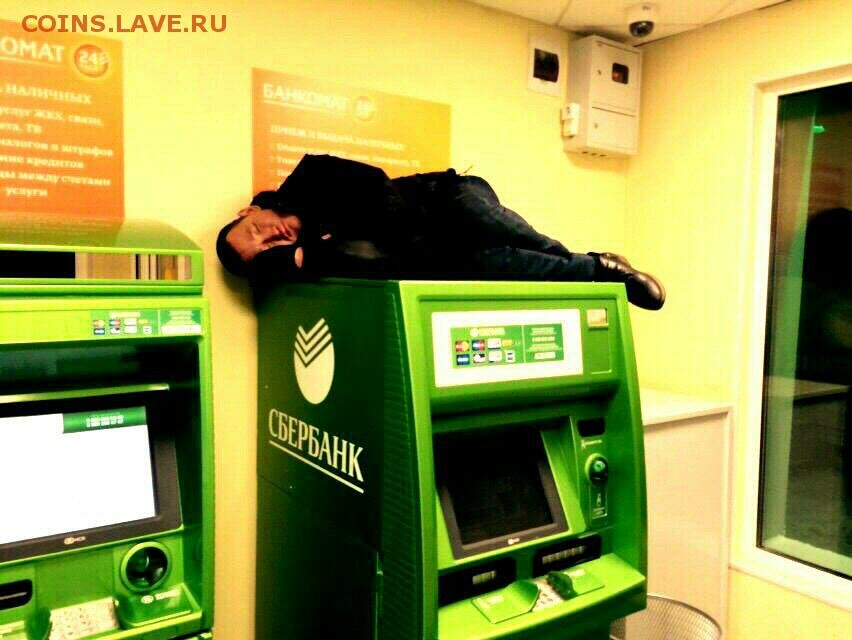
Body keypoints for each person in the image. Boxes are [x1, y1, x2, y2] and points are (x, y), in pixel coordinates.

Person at [217, 154, 665, 310]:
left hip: (448, 196)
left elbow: (380, 194)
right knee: (495, 265)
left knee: (510, 233)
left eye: (255, 228)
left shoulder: (310, 175)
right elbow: (387, 260)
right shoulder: (318, 257)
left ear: (250, 210)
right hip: (442, 250)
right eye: (264, 249)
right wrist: (304, 255)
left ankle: (598, 266)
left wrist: (336, 244)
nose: (269, 236)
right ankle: (600, 270)